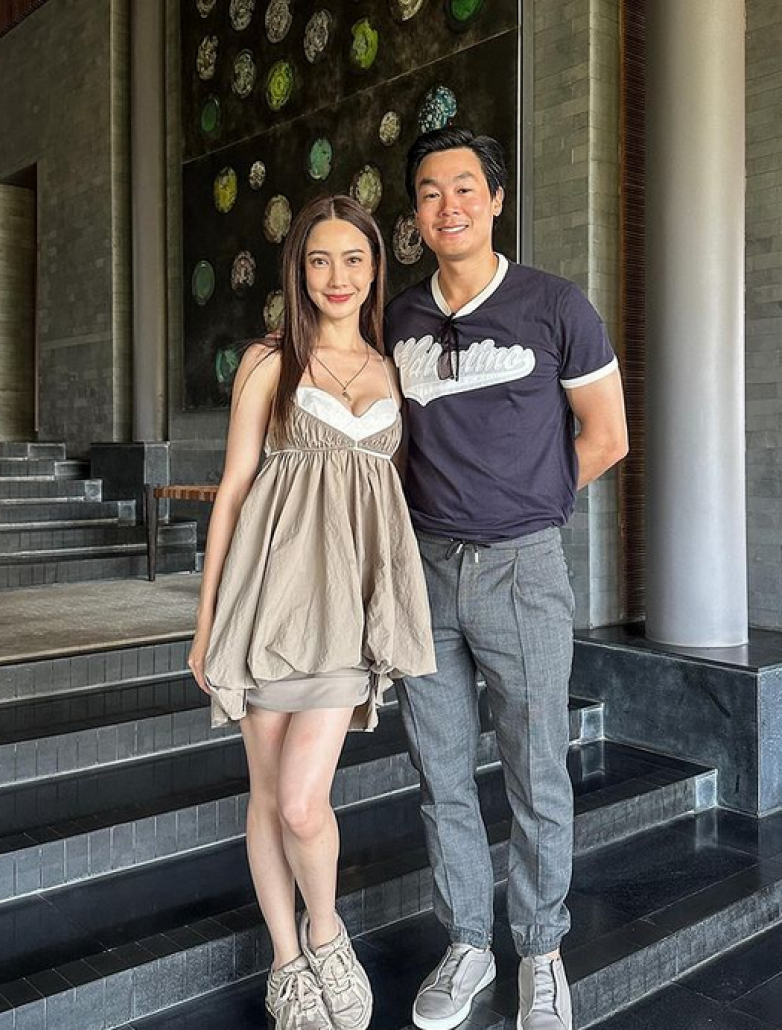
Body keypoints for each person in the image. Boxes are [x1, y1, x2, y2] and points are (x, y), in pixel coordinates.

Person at [385, 128, 629, 1030]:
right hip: (423, 573)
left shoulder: (554, 305)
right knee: (440, 769)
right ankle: (467, 944)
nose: (447, 205)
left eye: (464, 188)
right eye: (429, 192)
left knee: (536, 771)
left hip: (522, 570)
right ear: (415, 215)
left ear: (495, 198)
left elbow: (607, 436)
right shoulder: (397, 319)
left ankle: (541, 952)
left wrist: (527, 506)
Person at [188, 194, 436, 1030]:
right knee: (267, 796)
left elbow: (388, 500)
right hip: (268, 599)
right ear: (299, 270)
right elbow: (232, 493)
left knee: (302, 799)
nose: (337, 276)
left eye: (353, 259)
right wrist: (206, 622)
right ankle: (286, 963)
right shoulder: (270, 360)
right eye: (319, 259)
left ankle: (326, 932)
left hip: (345, 613)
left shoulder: (393, 369)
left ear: (375, 269)